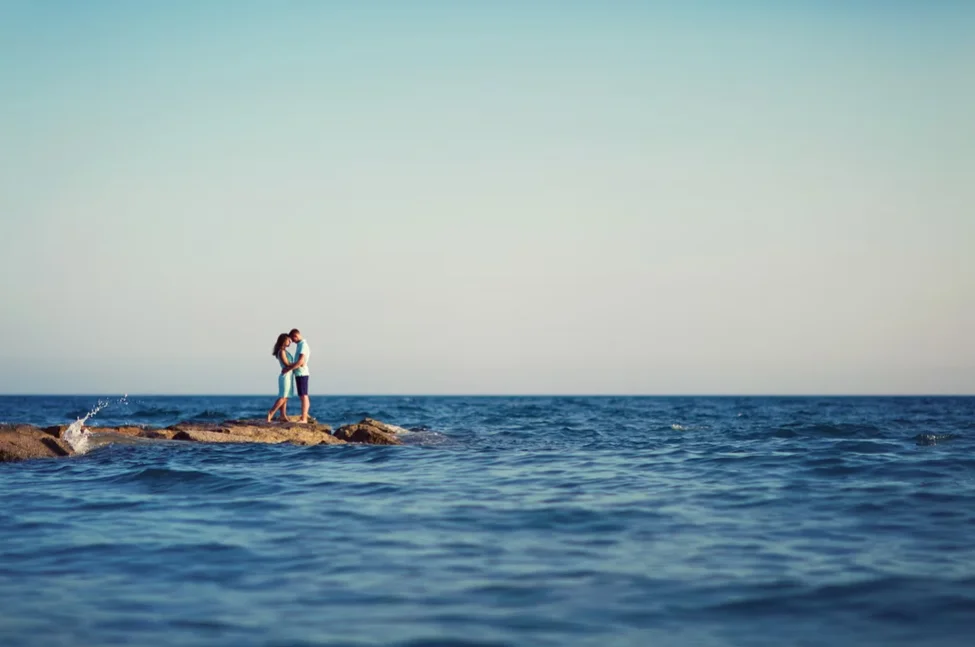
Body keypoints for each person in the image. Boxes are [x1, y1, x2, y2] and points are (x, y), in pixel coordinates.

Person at [282, 328, 311, 423]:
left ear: (296, 336)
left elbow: (301, 361)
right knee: (302, 395)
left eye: (292, 339)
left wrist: (289, 369)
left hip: (302, 373)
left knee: (304, 396)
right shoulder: (300, 345)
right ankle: (304, 417)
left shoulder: (303, 345)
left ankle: (304, 418)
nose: (292, 342)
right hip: (299, 373)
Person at [267, 333, 295, 422]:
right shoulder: (282, 351)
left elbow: (290, 365)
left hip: (289, 375)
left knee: (286, 396)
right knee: (283, 396)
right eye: (288, 340)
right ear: (283, 341)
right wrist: (299, 363)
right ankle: (271, 413)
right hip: (285, 376)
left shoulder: (285, 351)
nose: (290, 341)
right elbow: (287, 364)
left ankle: (283, 415)